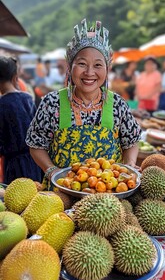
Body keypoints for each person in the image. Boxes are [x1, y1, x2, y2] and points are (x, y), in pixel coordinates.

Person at [26, 19, 141, 185]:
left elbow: (132, 141)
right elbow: (36, 144)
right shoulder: (52, 103)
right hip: (61, 194)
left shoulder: (117, 104)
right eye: (82, 64)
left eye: (97, 65)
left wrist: (129, 164)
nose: (89, 72)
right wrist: (51, 170)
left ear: (107, 69)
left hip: (108, 199)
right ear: (70, 66)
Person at [0, 56, 42, 184]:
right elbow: (38, 129)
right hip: (34, 160)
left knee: (16, 199)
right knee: (35, 196)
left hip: (13, 165)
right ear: (14, 77)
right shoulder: (27, 98)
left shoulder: (1, 104)